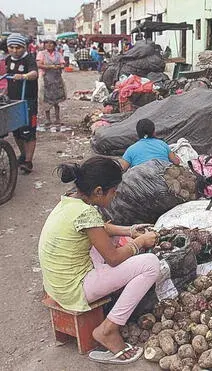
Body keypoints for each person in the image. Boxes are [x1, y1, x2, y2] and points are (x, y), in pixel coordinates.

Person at [38, 156, 160, 364]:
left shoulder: (70, 202)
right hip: (73, 289)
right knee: (151, 265)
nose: (116, 195)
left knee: (110, 238)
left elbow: (98, 229)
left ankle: (110, 300)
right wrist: (140, 242)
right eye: (113, 191)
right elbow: (112, 258)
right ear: (98, 191)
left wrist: (129, 231)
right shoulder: (86, 213)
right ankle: (108, 330)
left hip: (56, 283)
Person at [5, 33, 39, 173]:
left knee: (29, 132)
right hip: (13, 101)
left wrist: (24, 76)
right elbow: (8, 79)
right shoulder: (8, 60)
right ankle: (23, 155)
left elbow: (34, 74)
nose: (14, 50)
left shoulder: (29, 59)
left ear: (24, 47)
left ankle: (28, 161)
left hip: (28, 100)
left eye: (18, 47)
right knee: (17, 132)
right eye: (11, 47)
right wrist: (5, 91)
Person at [36, 39, 66, 124]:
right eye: (47, 43)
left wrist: (60, 66)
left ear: (54, 45)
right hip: (45, 79)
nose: (49, 45)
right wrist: (51, 67)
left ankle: (57, 119)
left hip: (57, 79)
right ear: (44, 45)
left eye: (51, 43)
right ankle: (48, 119)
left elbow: (63, 64)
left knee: (57, 101)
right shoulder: (41, 54)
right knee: (46, 100)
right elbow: (39, 65)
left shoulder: (58, 54)